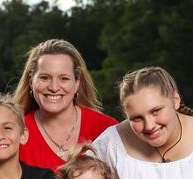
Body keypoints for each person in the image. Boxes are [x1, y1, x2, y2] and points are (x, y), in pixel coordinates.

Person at [13, 39, 118, 170]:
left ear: (77, 83)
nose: (54, 87)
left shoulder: (106, 129)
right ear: (31, 81)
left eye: (64, 78)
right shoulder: (14, 133)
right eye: (44, 78)